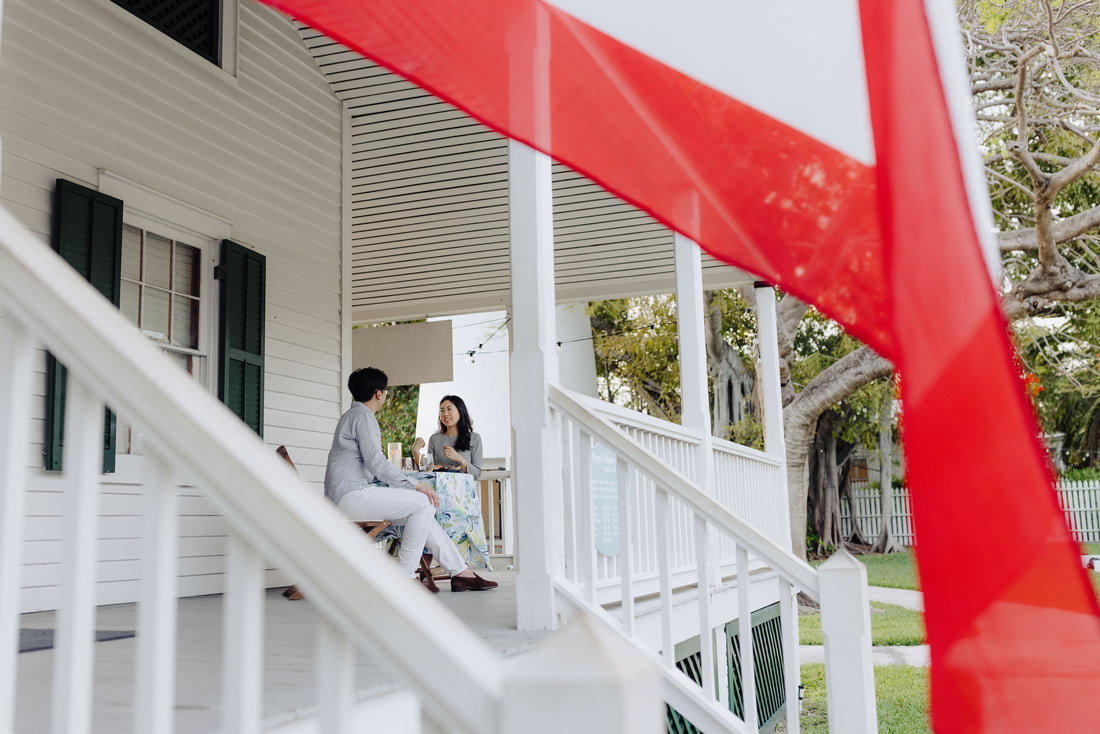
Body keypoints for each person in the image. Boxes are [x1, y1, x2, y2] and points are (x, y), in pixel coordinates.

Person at [324, 367, 496, 593]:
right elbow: (377, 464)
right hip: (351, 496)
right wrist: (417, 485)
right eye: (385, 391)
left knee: (425, 511)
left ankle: (459, 572)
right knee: (424, 501)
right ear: (379, 393)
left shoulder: (353, 415)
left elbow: (374, 465)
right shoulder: (363, 417)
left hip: (349, 495)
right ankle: (405, 576)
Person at [413, 395, 483, 480]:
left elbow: (476, 474)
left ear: (460, 411)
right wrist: (415, 451)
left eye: (449, 409)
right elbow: (427, 471)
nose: (445, 413)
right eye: (442, 410)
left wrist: (459, 459)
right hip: (439, 490)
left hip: (463, 491)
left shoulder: (474, 438)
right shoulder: (435, 439)